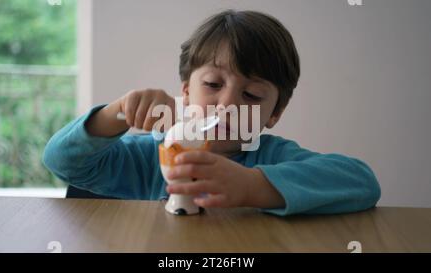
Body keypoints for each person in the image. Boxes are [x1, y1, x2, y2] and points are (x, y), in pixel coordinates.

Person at [43, 10, 380, 216]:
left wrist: (253, 186)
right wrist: (119, 113)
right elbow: (61, 160)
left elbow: (362, 182)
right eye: (214, 84)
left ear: (274, 113)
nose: (227, 105)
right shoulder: (151, 155)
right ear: (186, 91)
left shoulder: (275, 156)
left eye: (250, 94)